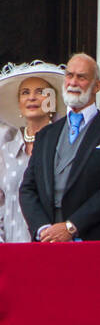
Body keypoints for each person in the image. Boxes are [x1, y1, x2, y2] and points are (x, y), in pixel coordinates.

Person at [20, 53, 100, 242]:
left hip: (90, 240)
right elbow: (27, 189)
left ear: (97, 86)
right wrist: (43, 229)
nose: (73, 82)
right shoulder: (46, 135)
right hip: (46, 242)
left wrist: (71, 227)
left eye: (81, 77)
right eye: (69, 75)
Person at [0, 61, 65, 242]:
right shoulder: (6, 149)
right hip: (12, 249)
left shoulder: (65, 145)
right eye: (25, 93)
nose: (32, 98)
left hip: (53, 249)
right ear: (19, 103)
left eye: (40, 92)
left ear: (53, 101)